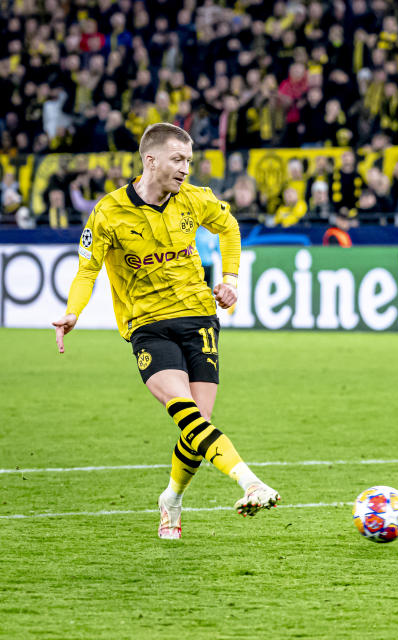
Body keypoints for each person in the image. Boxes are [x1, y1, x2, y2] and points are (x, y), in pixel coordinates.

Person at [51, 123, 280, 541]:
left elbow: (229, 228)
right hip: (147, 326)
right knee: (185, 410)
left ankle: (171, 499)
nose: (185, 169)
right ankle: (250, 481)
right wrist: (72, 313)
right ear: (150, 159)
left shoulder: (194, 199)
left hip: (198, 317)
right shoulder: (108, 212)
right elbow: (88, 268)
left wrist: (230, 279)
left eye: (189, 161)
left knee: (199, 425)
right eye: (178, 160)